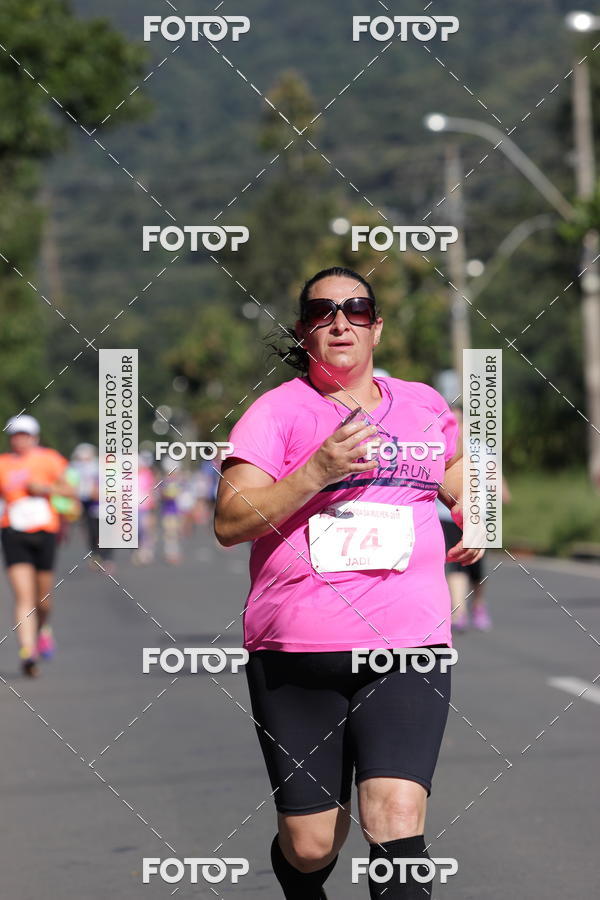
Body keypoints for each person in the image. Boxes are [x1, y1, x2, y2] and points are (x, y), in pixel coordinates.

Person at [214, 267, 482, 899]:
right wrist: (316, 471)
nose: (340, 321)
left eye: (356, 309)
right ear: (305, 330)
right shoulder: (276, 413)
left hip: (408, 644)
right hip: (296, 653)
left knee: (395, 818)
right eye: (323, 311)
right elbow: (229, 522)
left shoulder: (421, 404)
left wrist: (479, 510)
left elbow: (466, 469)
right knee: (311, 848)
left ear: (376, 327)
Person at [0, 415, 76, 677]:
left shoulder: (49, 459)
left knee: (42, 600)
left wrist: (45, 488)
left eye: (25, 434)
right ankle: (27, 650)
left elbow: (70, 490)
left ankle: (42, 629)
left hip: (44, 533)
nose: (19, 439)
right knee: (23, 596)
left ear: (35, 437)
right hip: (13, 531)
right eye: (15, 435)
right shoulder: (3, 464)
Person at [69, 443, 115, 573]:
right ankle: (95, 555)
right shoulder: (74, 469)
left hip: (105, 506)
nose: (84, 461)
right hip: (88, 506)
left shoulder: (102, 468)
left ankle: (107, 559)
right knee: (92, 533)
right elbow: (75, 487)